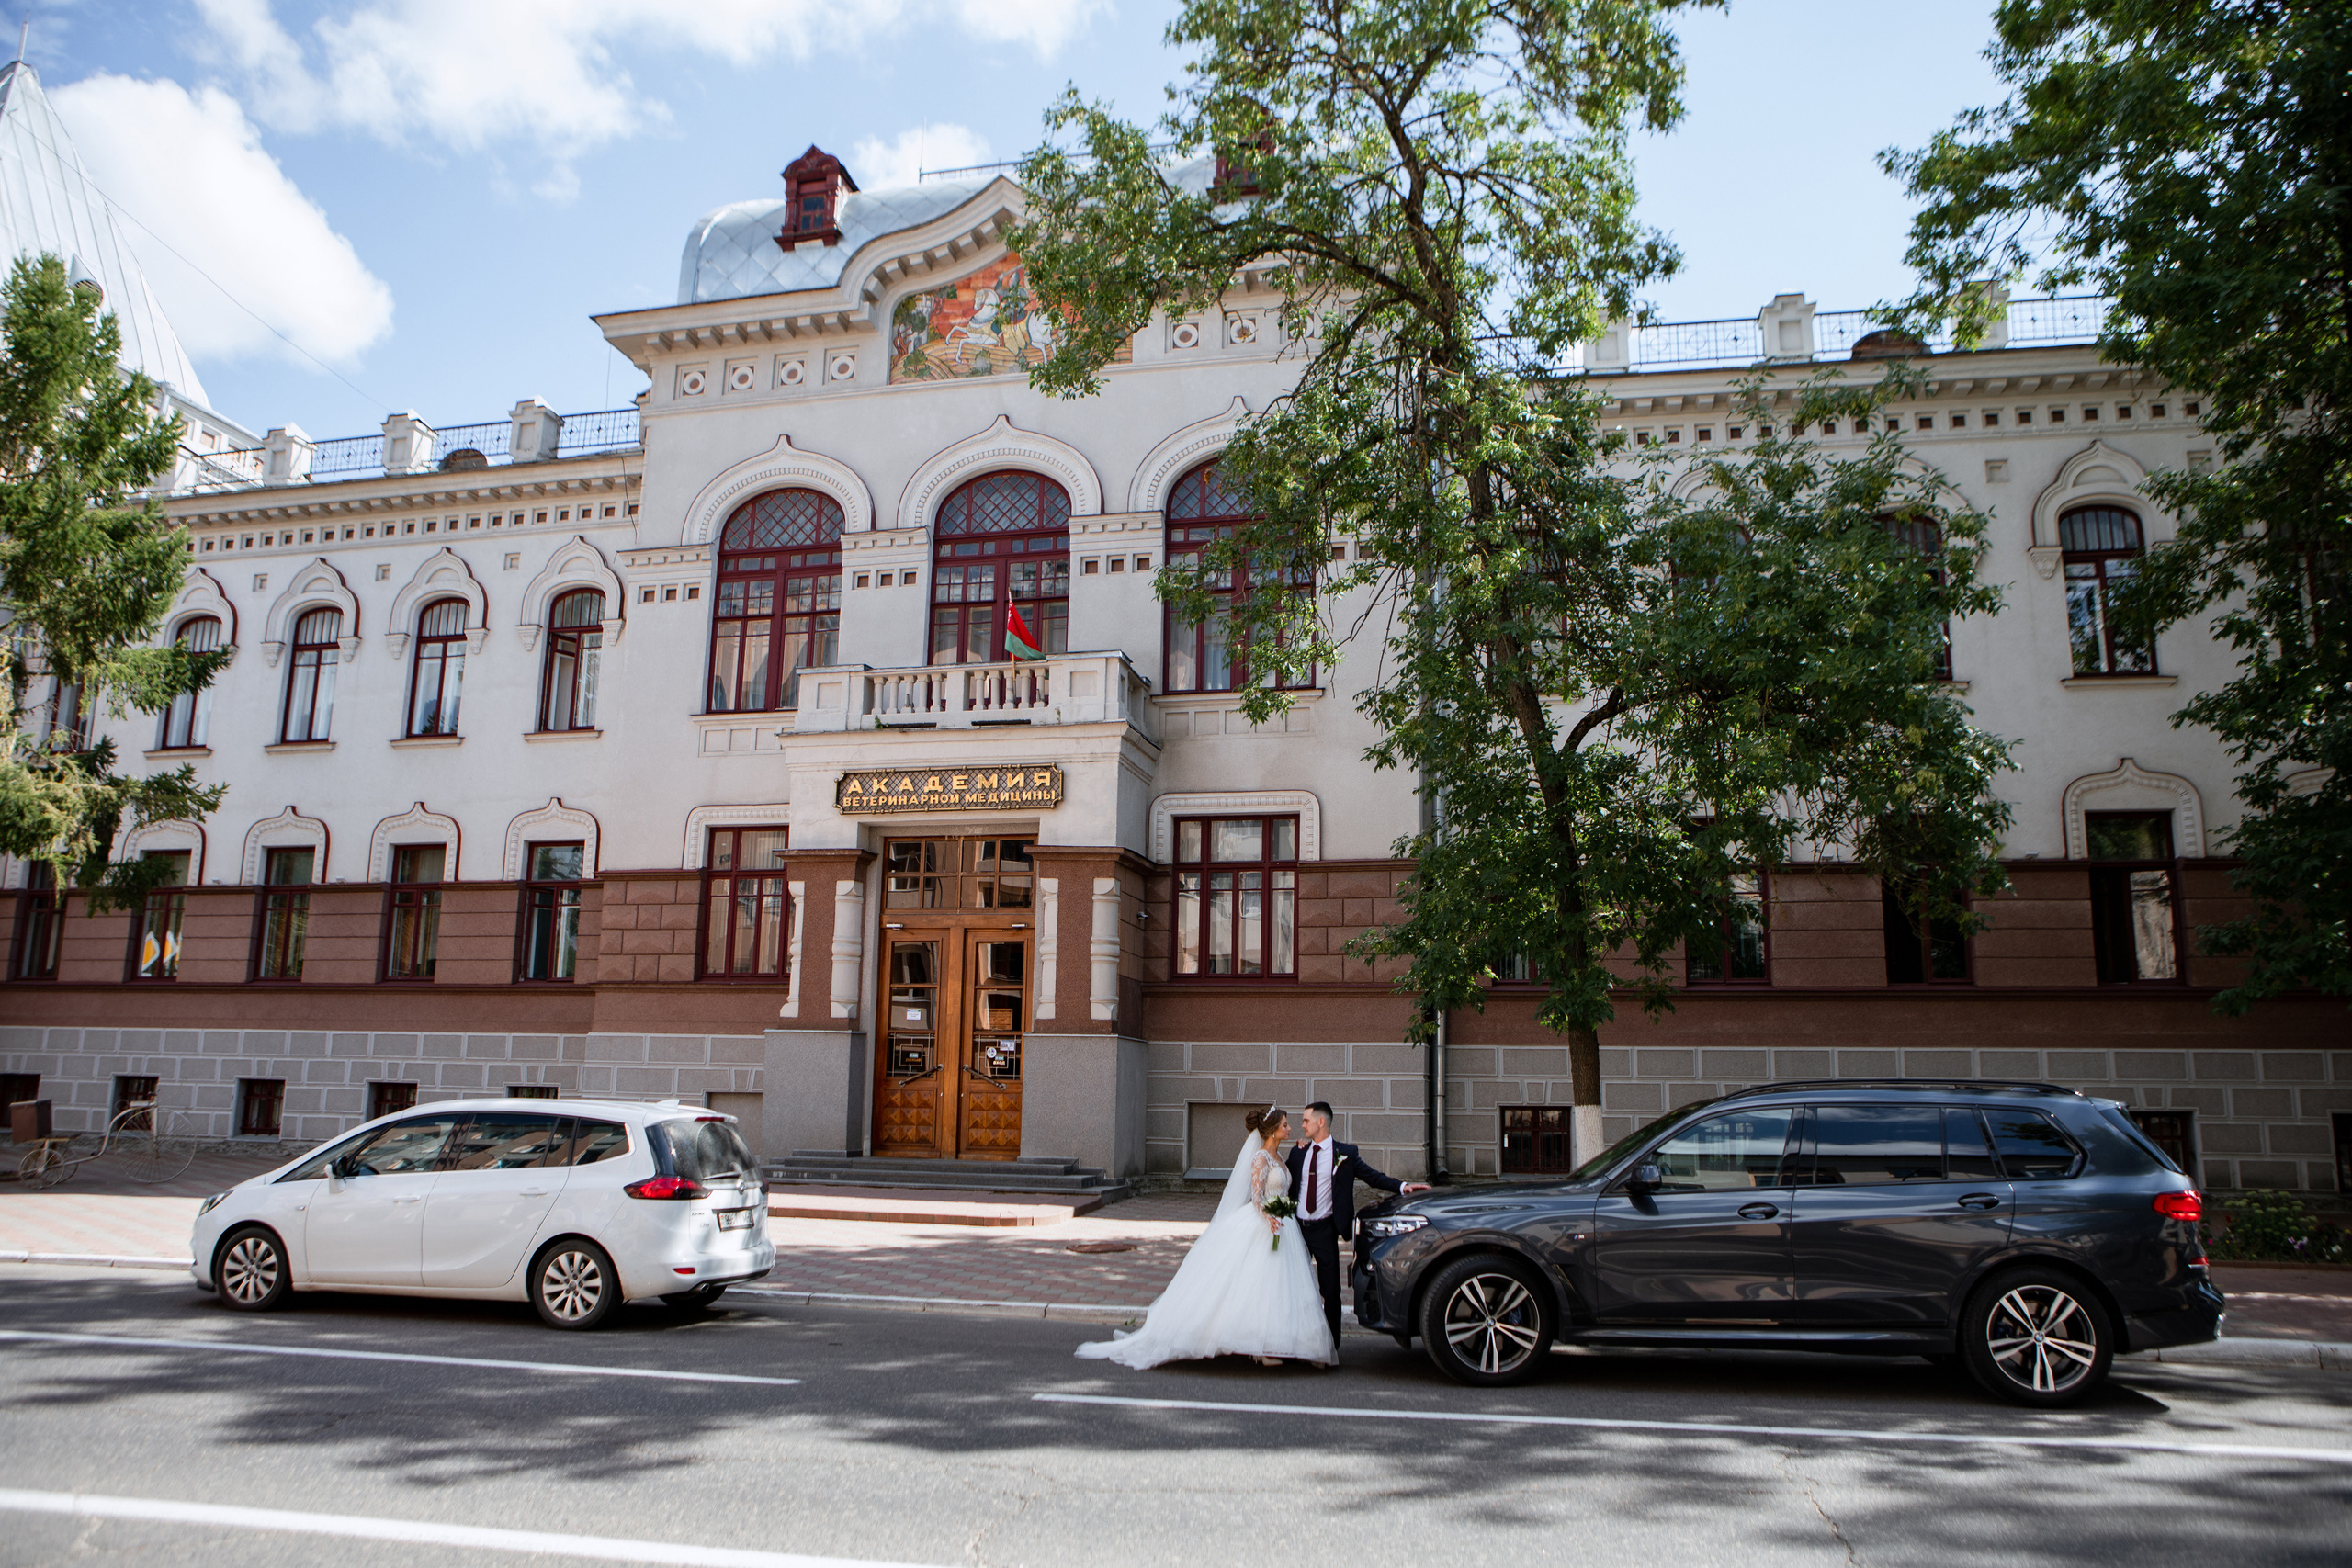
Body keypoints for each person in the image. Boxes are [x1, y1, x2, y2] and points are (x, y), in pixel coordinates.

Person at [1074, 1106, 1334, 1370]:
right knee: (1259, 1285)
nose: (1291, 1129)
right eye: (1287, 1125)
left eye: (1292, 1125)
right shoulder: (1260, 1158)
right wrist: (1269, 1216)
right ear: (1273, 1130)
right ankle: (1261, 1348)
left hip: (1284, 1226)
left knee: (1281, 1288)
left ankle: (1287, 1343)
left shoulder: (1280, 1157)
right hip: (1266, 1223)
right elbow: (1256, 1196)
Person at [1287, 1101, 1430, 1355]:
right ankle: (1292, 1341)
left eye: (1306, 1120)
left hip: (1324, 1230)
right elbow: (1286, 1181)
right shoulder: (1298, 1152)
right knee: (1291, 1285)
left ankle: (1331, 1346)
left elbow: (1372, 1176)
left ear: (1322, 1122)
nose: (1302, 1125)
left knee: (1330, 1291)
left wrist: (1402, 1186)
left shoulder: (1345, 1153)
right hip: (1297, 1229)